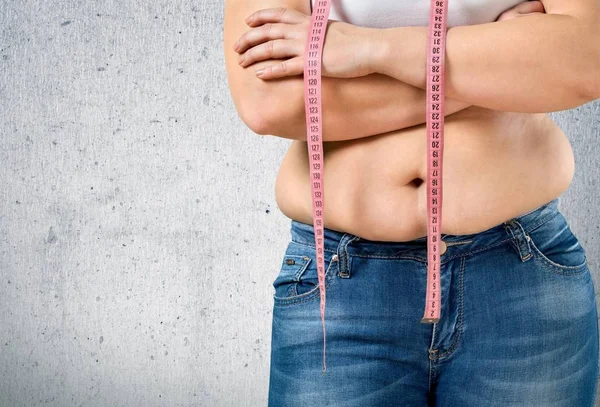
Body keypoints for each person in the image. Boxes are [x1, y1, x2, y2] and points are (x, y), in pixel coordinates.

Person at [224, 0, 600, 405]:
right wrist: (489, 71)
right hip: (341, 282)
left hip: (521, 274)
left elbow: (588, 59)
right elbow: (270, 102)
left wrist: (369, 49)